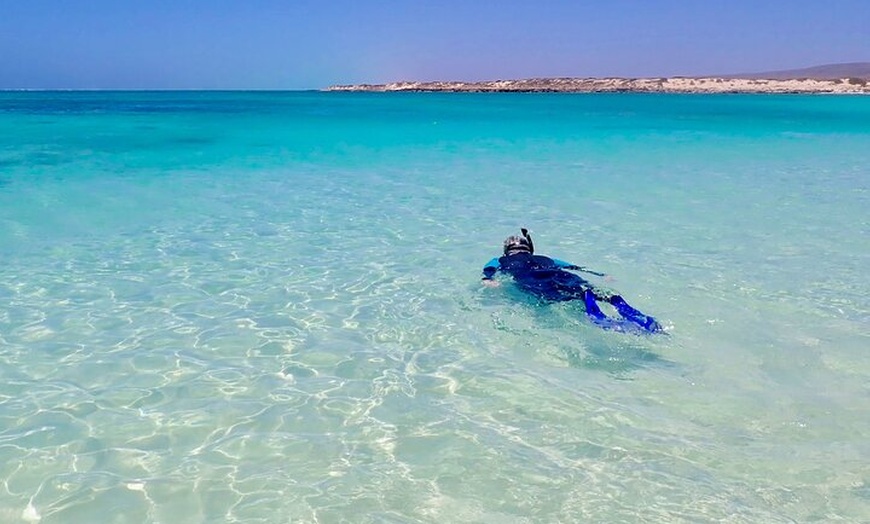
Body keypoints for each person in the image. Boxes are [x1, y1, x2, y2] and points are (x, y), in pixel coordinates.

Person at [481, 228, 663, 333]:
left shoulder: (500, 261)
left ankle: (600, 318)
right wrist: (602, 275)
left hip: (534, 280)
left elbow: (489, 271)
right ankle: (628, 310)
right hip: (564, 275)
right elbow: (576, 268)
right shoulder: (547, 259)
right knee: (586, 289)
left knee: (561, 297)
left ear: (506, 250)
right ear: (529, 248)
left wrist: (488, 281)